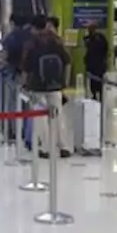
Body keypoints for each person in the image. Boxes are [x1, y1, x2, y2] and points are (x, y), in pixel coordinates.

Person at [23, 14, 73, 158]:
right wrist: (65, 82)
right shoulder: (56, 41)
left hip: (37, 86)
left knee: (40, 118)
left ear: (33, 27)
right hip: (55, 84)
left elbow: (26, 66)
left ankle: (46, 148)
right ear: (46, 25)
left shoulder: (31, 43)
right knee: (58, 115)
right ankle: (63, 146)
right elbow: (67, 61)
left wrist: (25, 84)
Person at [0, 15, 32, 141]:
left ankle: (12, 130)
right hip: (27, 75)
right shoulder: (31, 36)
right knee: (27, 104)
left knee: (12, 103)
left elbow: (5, 55)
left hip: (13, 73)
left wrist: (1, 59)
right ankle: (27, 131)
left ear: (12, 23)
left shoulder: (11, 37)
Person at [83, 22, 109, 100]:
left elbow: (89, 48)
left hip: (94, 63)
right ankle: (98, 94)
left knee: (94, 80)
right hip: (99, 63)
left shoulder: (93, 38)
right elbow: (106, 48)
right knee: (98, 80)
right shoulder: (100, 37)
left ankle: (95, 94)